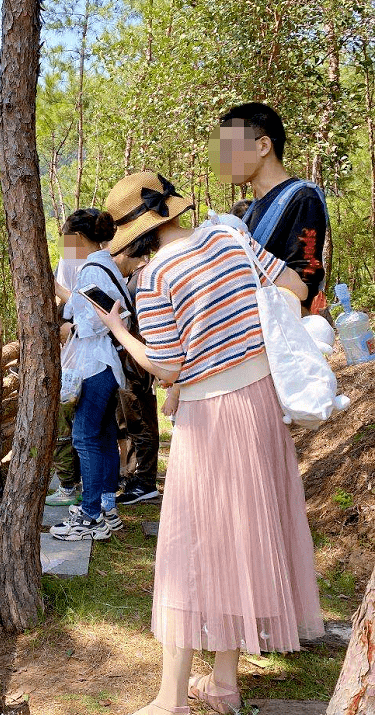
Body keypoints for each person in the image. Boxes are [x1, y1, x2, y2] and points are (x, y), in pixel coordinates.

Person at [93, 172, 324, 715]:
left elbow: (167, 367)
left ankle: (171, 700)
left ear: (136, 233)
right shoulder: (229, 235)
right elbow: (295, 288)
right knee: (243, 541)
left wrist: (120, 330)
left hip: (211, 419)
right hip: (262, 402)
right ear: (172, 209)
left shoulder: (155, 276)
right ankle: (222, 684)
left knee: (191, 549)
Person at [48, 208, 127, 540]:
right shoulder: (102, 265)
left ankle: (91, 516)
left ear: (79, 238)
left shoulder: (92, 269)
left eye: (67, 239)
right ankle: (107, 507)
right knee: (104, 435)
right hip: (104, 363)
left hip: (95, 364)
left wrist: (72, 328)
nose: (66, 246)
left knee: (84, 437)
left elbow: (104, 317)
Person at [212, 102, 328, 314]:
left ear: (263, 146)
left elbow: (305, 285)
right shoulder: (246, 212)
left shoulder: (303, 198)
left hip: (285, 326)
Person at [111, 242, 161, 505]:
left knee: (141, 421)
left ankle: (145, 482)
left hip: (137, 362)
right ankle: (138, 477)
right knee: (134, 421)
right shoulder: (135, 278)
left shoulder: (142, 278)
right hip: (134, 360)